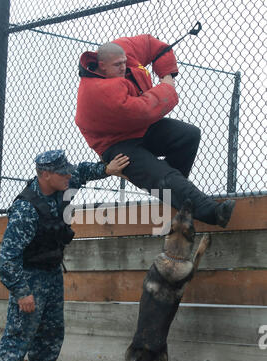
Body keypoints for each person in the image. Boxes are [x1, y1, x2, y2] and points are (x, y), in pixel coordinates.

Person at [0, 149, 129, 361]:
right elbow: (8, 259)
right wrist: (22, 292)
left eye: (67, 171)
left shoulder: (63, 182)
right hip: (29, 277)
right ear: (44, 175)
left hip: (53, 273)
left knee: (51, 332)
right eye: (62, 172)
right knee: (19, 333)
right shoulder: (26, 209)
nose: (69, 175)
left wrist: (107, 169)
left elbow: (83, 172)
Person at [75, 34, 235, 227]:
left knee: (188, 135)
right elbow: (143, 110)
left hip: (141, 129)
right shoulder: (97, 91)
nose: (124, 67)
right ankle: (213, 212)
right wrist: (167, 86)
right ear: (102, 65)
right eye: (118, 65)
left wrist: (167, 73)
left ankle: (172, 193)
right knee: (165, 177)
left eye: (125, 62)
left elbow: (154, 46)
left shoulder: (123, 50)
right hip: (116, 144)